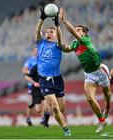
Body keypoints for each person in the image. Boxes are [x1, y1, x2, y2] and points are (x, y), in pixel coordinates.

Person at [59, 8, 111, 133]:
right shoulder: (75, 44)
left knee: (107, 96)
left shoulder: (85, 40)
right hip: (89, 74)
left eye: (79, 30)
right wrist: (58, 43)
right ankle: (102, 121)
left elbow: (72, 32)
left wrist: (64, 21)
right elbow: (66, 49)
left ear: (84, 33)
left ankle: (107, 109)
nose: (76, 32)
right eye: (76, 29)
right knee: (89, 98)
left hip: (101, 71)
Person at [34, 8, 71, 136]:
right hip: (44, 80)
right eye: (47, 32)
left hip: (58, 79)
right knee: (55, 107)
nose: (49, 33)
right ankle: (66, 130)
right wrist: (42, 18)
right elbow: (37, 31)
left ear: (55, 35)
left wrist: (57, 25)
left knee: (61, 109)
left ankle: (54, 115)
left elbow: (61, 39)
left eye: (52, 32)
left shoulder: (58, 45)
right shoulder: (40, 43)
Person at [22, 48, 38, 126]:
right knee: (31, 103)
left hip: (41, 84)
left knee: (44, 102)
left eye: (38, 50)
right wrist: (31, 72)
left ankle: (44, 120)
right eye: (35, 50)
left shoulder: (41, 59)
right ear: (33, 51)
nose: (37, 52)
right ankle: (28, 119)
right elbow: (23, 71)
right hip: (32, 84)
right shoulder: (29, 61)